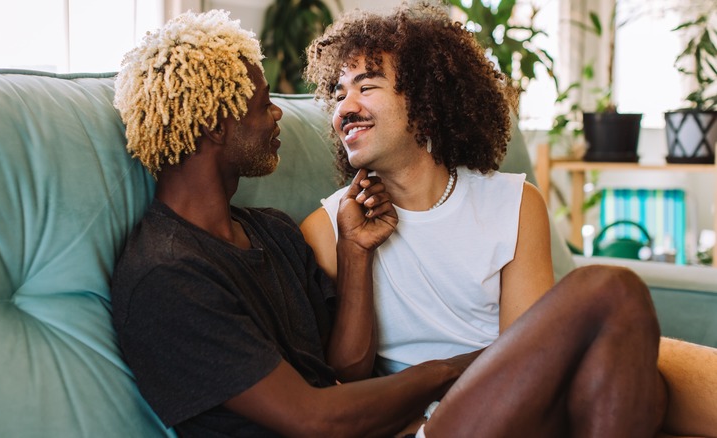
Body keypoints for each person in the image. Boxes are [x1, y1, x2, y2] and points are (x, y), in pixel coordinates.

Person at [110, 8, 666, 438]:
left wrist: (356, 252)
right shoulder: (167, 275)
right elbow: (314, 418)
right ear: (214, 123)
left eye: (366, 85)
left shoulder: (272, 233)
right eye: (261, 103)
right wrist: (455, 370)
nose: (281, 111)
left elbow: (341, 372)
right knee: (608, 290)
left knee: (634, 369)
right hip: (417, 418)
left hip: (422, 422)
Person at [302, 2, 717, 437]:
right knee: (612, 288)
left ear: (425, 100)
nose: (344, 107)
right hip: (437, 423)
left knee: (648, 389)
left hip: (522, 409)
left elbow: (530, 356)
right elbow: (340, 377)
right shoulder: (328, 226)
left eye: (366, 87)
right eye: (337, 93)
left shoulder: (513, 203)